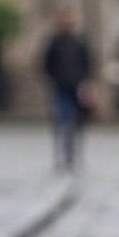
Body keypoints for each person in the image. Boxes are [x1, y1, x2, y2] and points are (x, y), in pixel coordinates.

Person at [40, 9, 94, 171]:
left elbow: (88, 65)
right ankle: (61, 154)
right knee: (61, 121)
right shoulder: (55, 43)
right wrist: (55, 78)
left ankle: (73, 154)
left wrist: (85, 84)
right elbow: (46, 65)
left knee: (76, 123)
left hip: (76, 89)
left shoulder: (80, 42)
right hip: (60, 88)